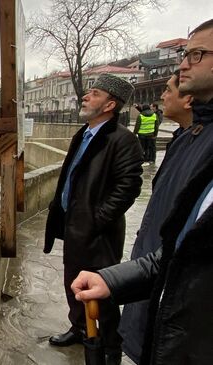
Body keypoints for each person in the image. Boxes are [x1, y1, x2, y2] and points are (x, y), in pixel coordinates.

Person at [115, 19, 213, 364]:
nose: (184, 63)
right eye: (185, 54)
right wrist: (115, 281)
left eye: (197, 55)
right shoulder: (190, 140)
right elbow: (180, 248)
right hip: (160, 296)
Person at [71, 157, 213, 365]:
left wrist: (98, 219)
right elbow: (173, 259)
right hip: (172, 345)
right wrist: (109, 280)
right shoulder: (207, 174)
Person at [44, 73, 143, 365]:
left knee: (103, 290)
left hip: (98, 232)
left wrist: (97, 220)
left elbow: (128, 187)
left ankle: (111, 346)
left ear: (110, 104)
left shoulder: (122, 140)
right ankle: (79, 327)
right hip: (73, 226)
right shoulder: (85, 133)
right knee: (73, 281)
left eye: (95, 93)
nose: (86, 96)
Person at [160, 70, 193, 153]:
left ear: (188, 101)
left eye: (168, 90)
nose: (162, 96)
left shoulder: (201, 146)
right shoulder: (181, 137)